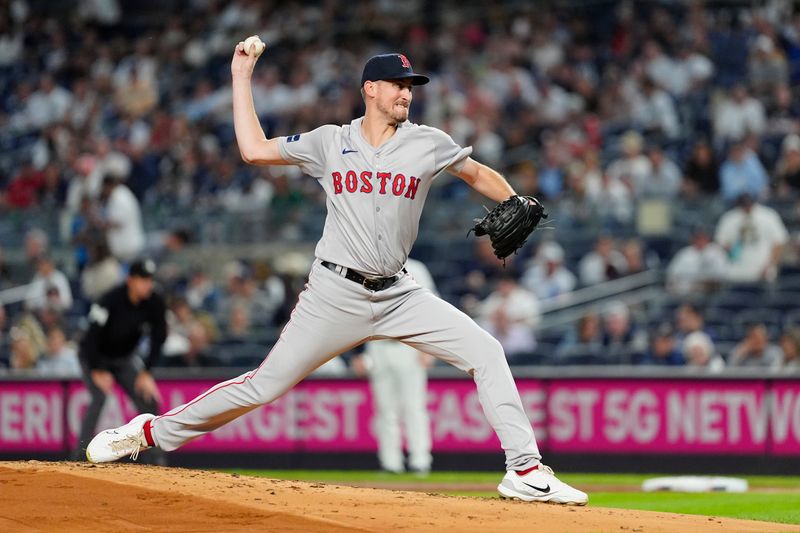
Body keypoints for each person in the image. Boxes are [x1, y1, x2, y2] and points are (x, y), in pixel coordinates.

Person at [85, 44, 587, 505]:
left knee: (486, 351)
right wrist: (242, 76)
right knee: (263, 386)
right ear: (371, 89)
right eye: (399, 84)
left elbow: (475, 173)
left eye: (411, 86)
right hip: (334, 293)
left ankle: (523, 469)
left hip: (399, 294)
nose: (406, 93)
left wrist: (514, 199)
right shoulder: (330, 141)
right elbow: (254, 150)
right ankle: (147, 433)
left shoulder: (427, 143)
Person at [76, 258, 167, 462]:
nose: (147, 284)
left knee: (148, 400)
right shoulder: (110, 299)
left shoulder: (154, 302)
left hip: (123, 359)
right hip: (94, 356)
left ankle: (155, 460)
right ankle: (79, 458)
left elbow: (159, 336)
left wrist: (146, 372)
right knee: (99, 397)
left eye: (149, 280)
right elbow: (91, 336)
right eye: (142, 279)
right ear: (130, 280)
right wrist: (97, 369)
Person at [353, 258, 436, 475]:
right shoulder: (369, 266)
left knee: (413, 405)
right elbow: (358, 311)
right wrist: (358, 352)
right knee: (385, 409)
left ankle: (420, 460)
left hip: (409, 343)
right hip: (377, 344)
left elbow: (431, 308)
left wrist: (428, 348)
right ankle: (391, 463)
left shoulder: (417, 268)